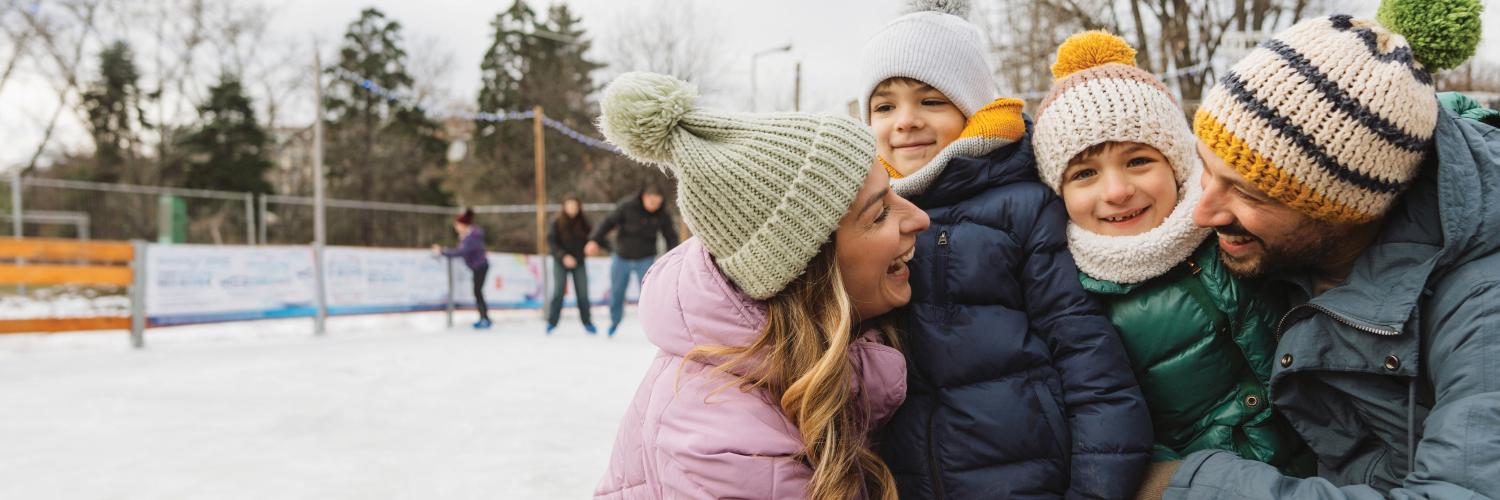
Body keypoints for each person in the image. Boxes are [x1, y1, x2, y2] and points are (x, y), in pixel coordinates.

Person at [1148, 2, 1500, 497]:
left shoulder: (1482, 305)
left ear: (1347, 208)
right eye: (1205, 167)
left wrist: (1188, 486)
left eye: (1248, 192)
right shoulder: (1271, 245)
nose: (1201, 213)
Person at [857, 2, 1151, 498]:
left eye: (930, 101)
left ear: (972, 109)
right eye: (885, 107)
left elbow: (1090, 365)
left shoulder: (1024, 207)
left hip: (1028, 479)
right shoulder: (863, 220)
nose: (904, 122)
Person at [592, 72, 929, 499]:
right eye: (879, 214)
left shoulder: (806, 359)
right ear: (810, 271)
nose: (919, 218)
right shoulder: (725, 449)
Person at [1030, 31, 1314, 483]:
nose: (1118, 191)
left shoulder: (1233, 229)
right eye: (1084, 173)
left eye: (1138, 160)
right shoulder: (1073, 299)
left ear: (1178, 162)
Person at [584, 184, 678, 337]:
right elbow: (607, 223)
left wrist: (674, 256)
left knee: (649, 294)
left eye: (658, 204)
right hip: (622, 256)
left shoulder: (662, 214)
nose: (655, 207)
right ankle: (614, 321)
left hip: (645, 258)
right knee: (617, 292)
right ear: (644, 198)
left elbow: (670, 236)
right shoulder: (627, 206)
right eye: (652, 203)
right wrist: (594, 240)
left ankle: (653, 325)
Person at [545, 196, 597, 335]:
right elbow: (551, 242)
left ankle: (587, 322)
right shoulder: (556, 221)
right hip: (560, 261)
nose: (572, 209)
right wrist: (563, 256)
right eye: (569, 206)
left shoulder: (584, 222)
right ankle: (552, 322)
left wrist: (593, 247)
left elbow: (593, 238)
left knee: (583, 293)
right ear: (564, 207)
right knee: (558, 291)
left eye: (575, 206)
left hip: (579, 261)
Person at [433, 208, 490, 329]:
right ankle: (484, 317)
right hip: (478, 266)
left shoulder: (471, 237)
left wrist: (442, 251)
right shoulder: (469, 235)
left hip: (480, 266)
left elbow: (461, 252)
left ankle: (484, 319)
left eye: (457, 225)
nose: (456, 228)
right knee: (478, 292)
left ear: (463, 225)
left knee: (477, 292)